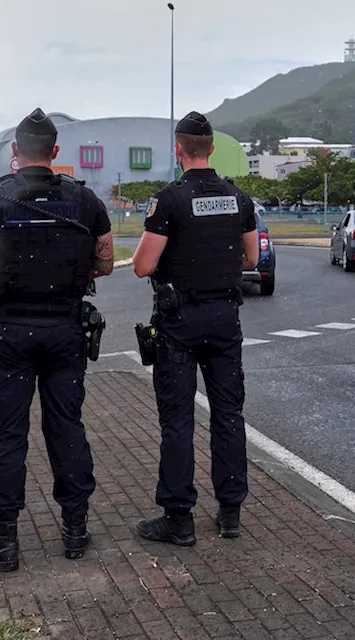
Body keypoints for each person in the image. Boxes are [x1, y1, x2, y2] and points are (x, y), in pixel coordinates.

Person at [0, 108, 116, 572]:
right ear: (55, 153)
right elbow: (105, 264)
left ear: (15, 153)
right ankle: (75, 531)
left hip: (8, 333)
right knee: (67, 428)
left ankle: (5, 541)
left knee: (6, 434)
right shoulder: (85, 201)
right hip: (66, 331)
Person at [132, 111, 260, 546]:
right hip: (226, 319)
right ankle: (230, 514)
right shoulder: (238, 198)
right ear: (212, 149)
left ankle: (179, 518)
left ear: (178, 150)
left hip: (180, 324)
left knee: (178, 421)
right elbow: (252, 259)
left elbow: (143, 266)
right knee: (228, 415)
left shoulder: (168, 200)